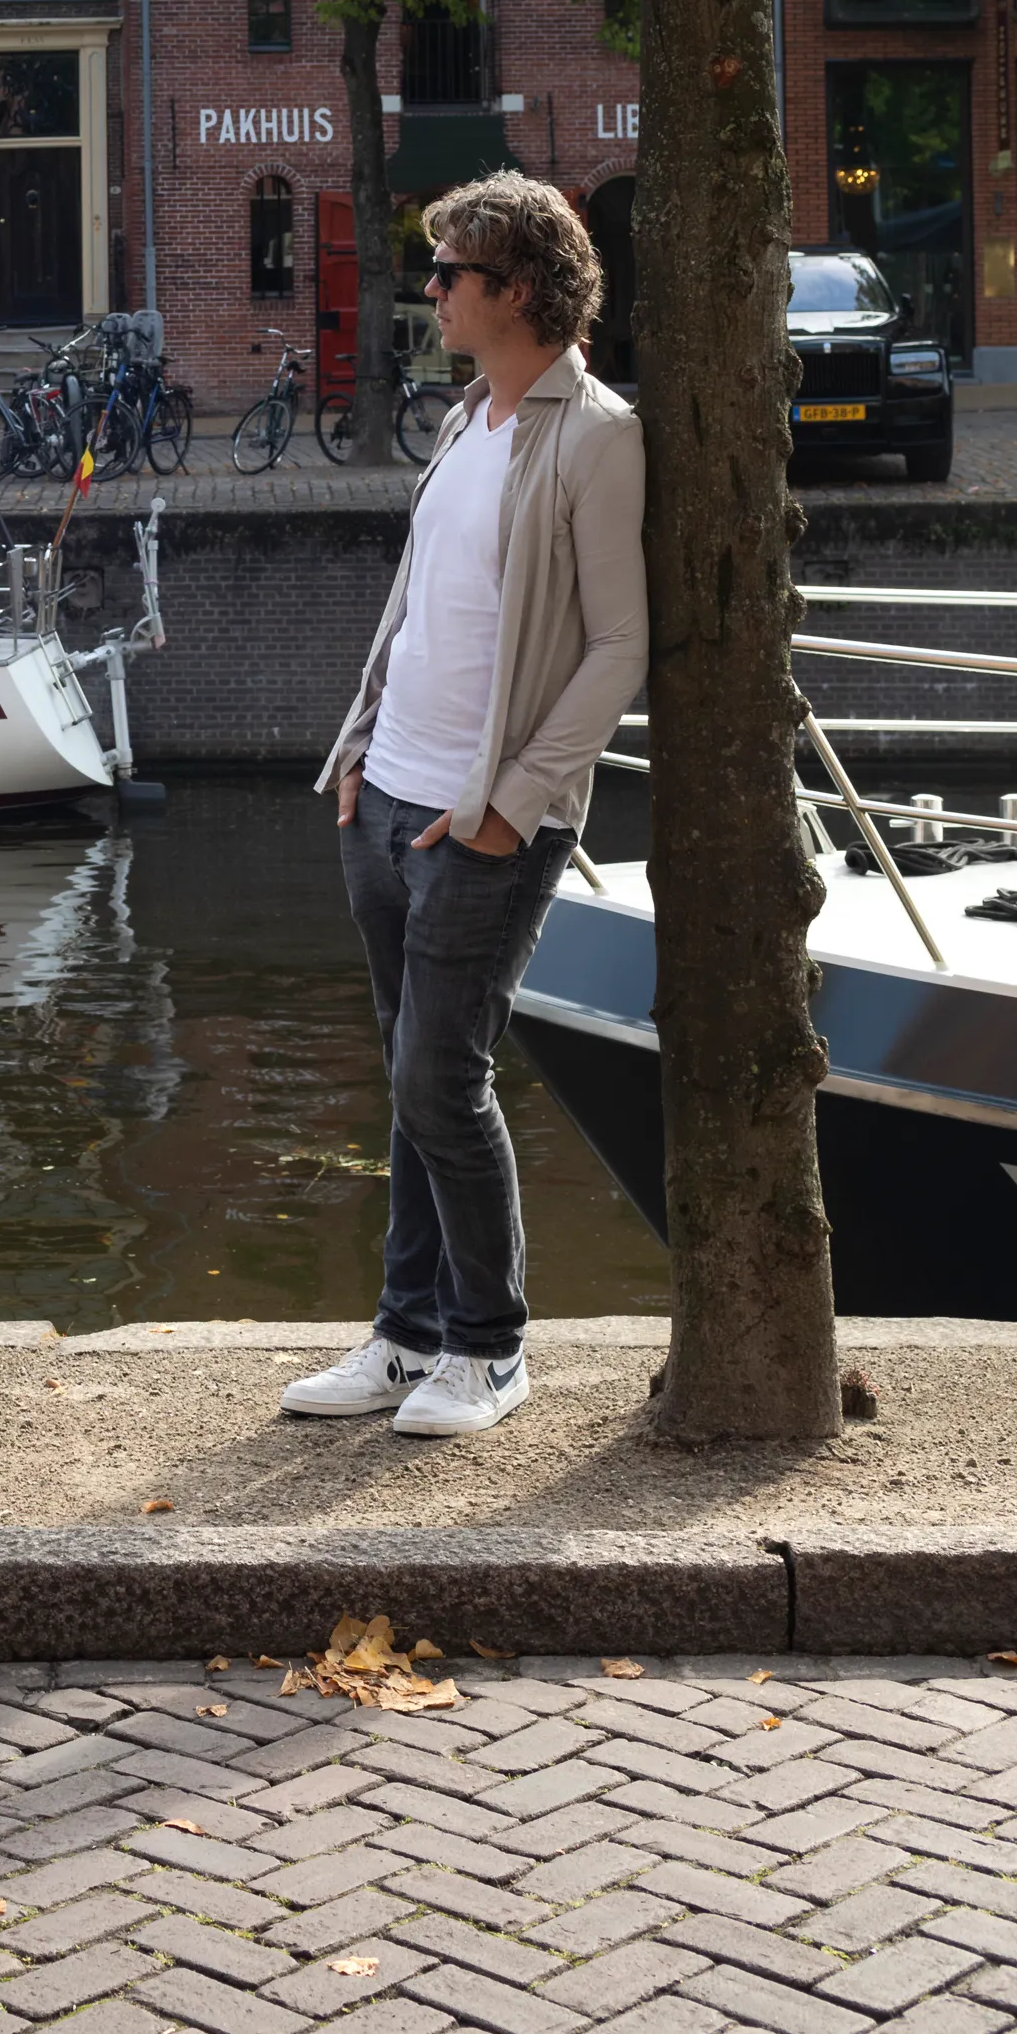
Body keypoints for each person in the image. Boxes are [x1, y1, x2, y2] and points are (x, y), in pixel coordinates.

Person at [290, 172, 646, 1439]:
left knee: (444, 1077)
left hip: (481, 822)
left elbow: (617, 645)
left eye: (447, 274)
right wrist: (355, 745)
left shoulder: (597, 435)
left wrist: (511, 802)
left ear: (516, 290)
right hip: (385, 800)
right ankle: (406, 1335)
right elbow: (415, 603)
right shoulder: (465, 421)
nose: (427, 291)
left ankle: (487, 1349)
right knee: (410, 1077)